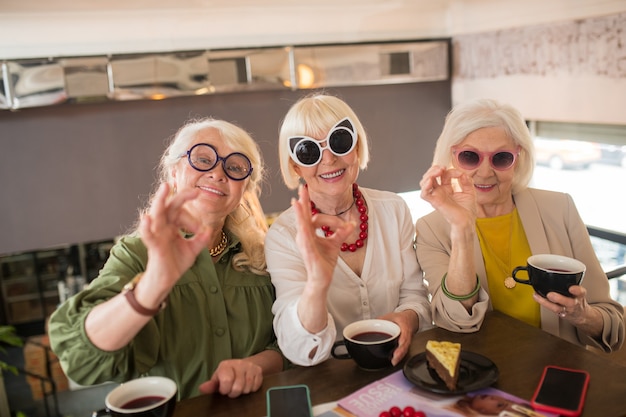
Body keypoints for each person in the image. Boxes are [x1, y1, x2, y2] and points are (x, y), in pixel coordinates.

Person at [48, 118, 284, 399]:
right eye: (202, 159)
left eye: (234, 167)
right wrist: (154, 283)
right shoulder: (135, 254)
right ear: (174, 173)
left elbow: (293, 343)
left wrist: (255, 365)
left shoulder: (264, 257)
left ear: (244, 189)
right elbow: (79, 360)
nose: (218, 174)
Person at [416, 98, 624, 352]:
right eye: (470, 157)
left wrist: (582, 315)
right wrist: (461, 228)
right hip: (481, 376)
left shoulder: (560, 209)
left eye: (501, 158)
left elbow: (614, 327)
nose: (484, 172)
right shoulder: (431, 230)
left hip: (557, 371)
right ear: (452, 158)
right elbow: (454, 321)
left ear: (518, 157)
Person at [266, 93, 431, 366]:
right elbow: (297, 348)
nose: (329, 159)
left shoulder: (394, 209)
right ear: (296, 166)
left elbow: (414, 295)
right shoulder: (283, 236)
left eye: (339, 140)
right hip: (329, 382)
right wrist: (318, 284)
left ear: (356, 146)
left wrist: (408, 319)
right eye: (309, 151)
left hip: (398, 368)